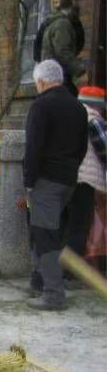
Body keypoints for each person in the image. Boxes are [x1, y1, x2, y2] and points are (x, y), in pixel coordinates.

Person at [24, 60, 89, 310]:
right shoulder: (78, 106)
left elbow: (34, 147)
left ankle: (53, 293)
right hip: (68, 180)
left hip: (45, 181)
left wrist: (29, 181)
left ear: (41, 82)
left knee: (44, 236)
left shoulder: (41, 106)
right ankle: (41, 281)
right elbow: (83, 147)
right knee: (56, 232)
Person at [75, 86, 107, 274]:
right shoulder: (93, 120)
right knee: (89, 227)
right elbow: (105, 149)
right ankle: (88, 267)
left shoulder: (73, 117)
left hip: (73, 177)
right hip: (90, 179)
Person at [39, 0, 86, 96]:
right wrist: (80, 71)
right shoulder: (63, 24)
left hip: (51, 75)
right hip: (58, 76)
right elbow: (63, 51)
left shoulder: (52, 22)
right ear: (71, 4)